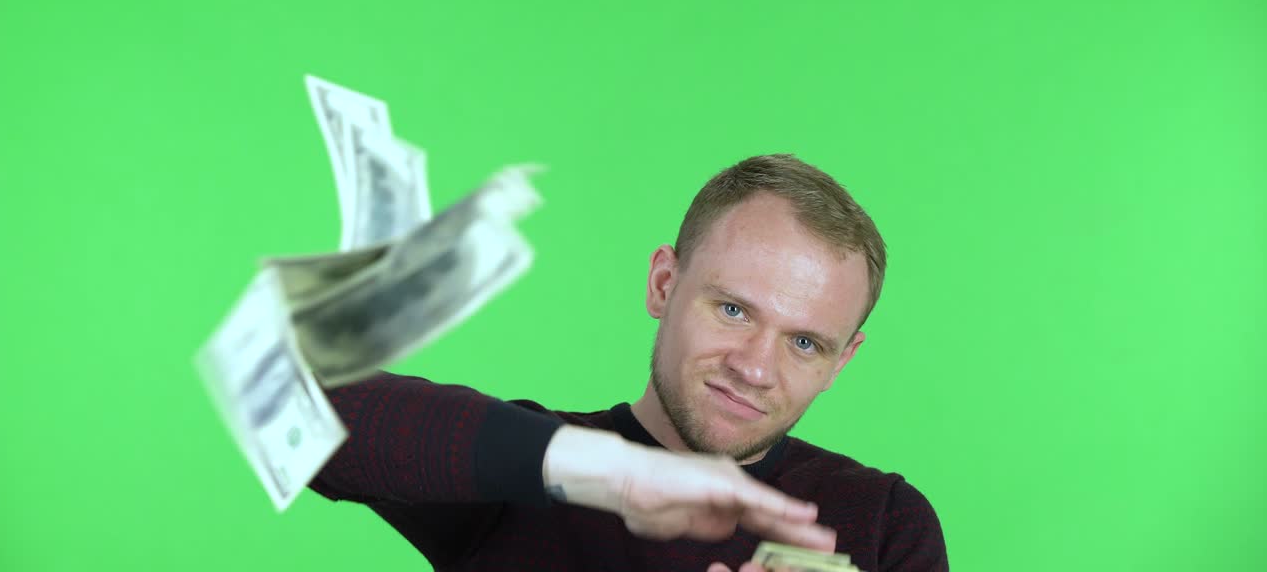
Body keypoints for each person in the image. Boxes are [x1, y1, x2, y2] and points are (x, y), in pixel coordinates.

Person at [309, 154, 949, 571]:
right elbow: (297, 407)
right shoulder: (521, 474)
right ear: (664, 284)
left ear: (843, 361)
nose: (755, 368)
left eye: (805, 343)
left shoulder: (884, 521)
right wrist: (605, 473)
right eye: (732, 311)